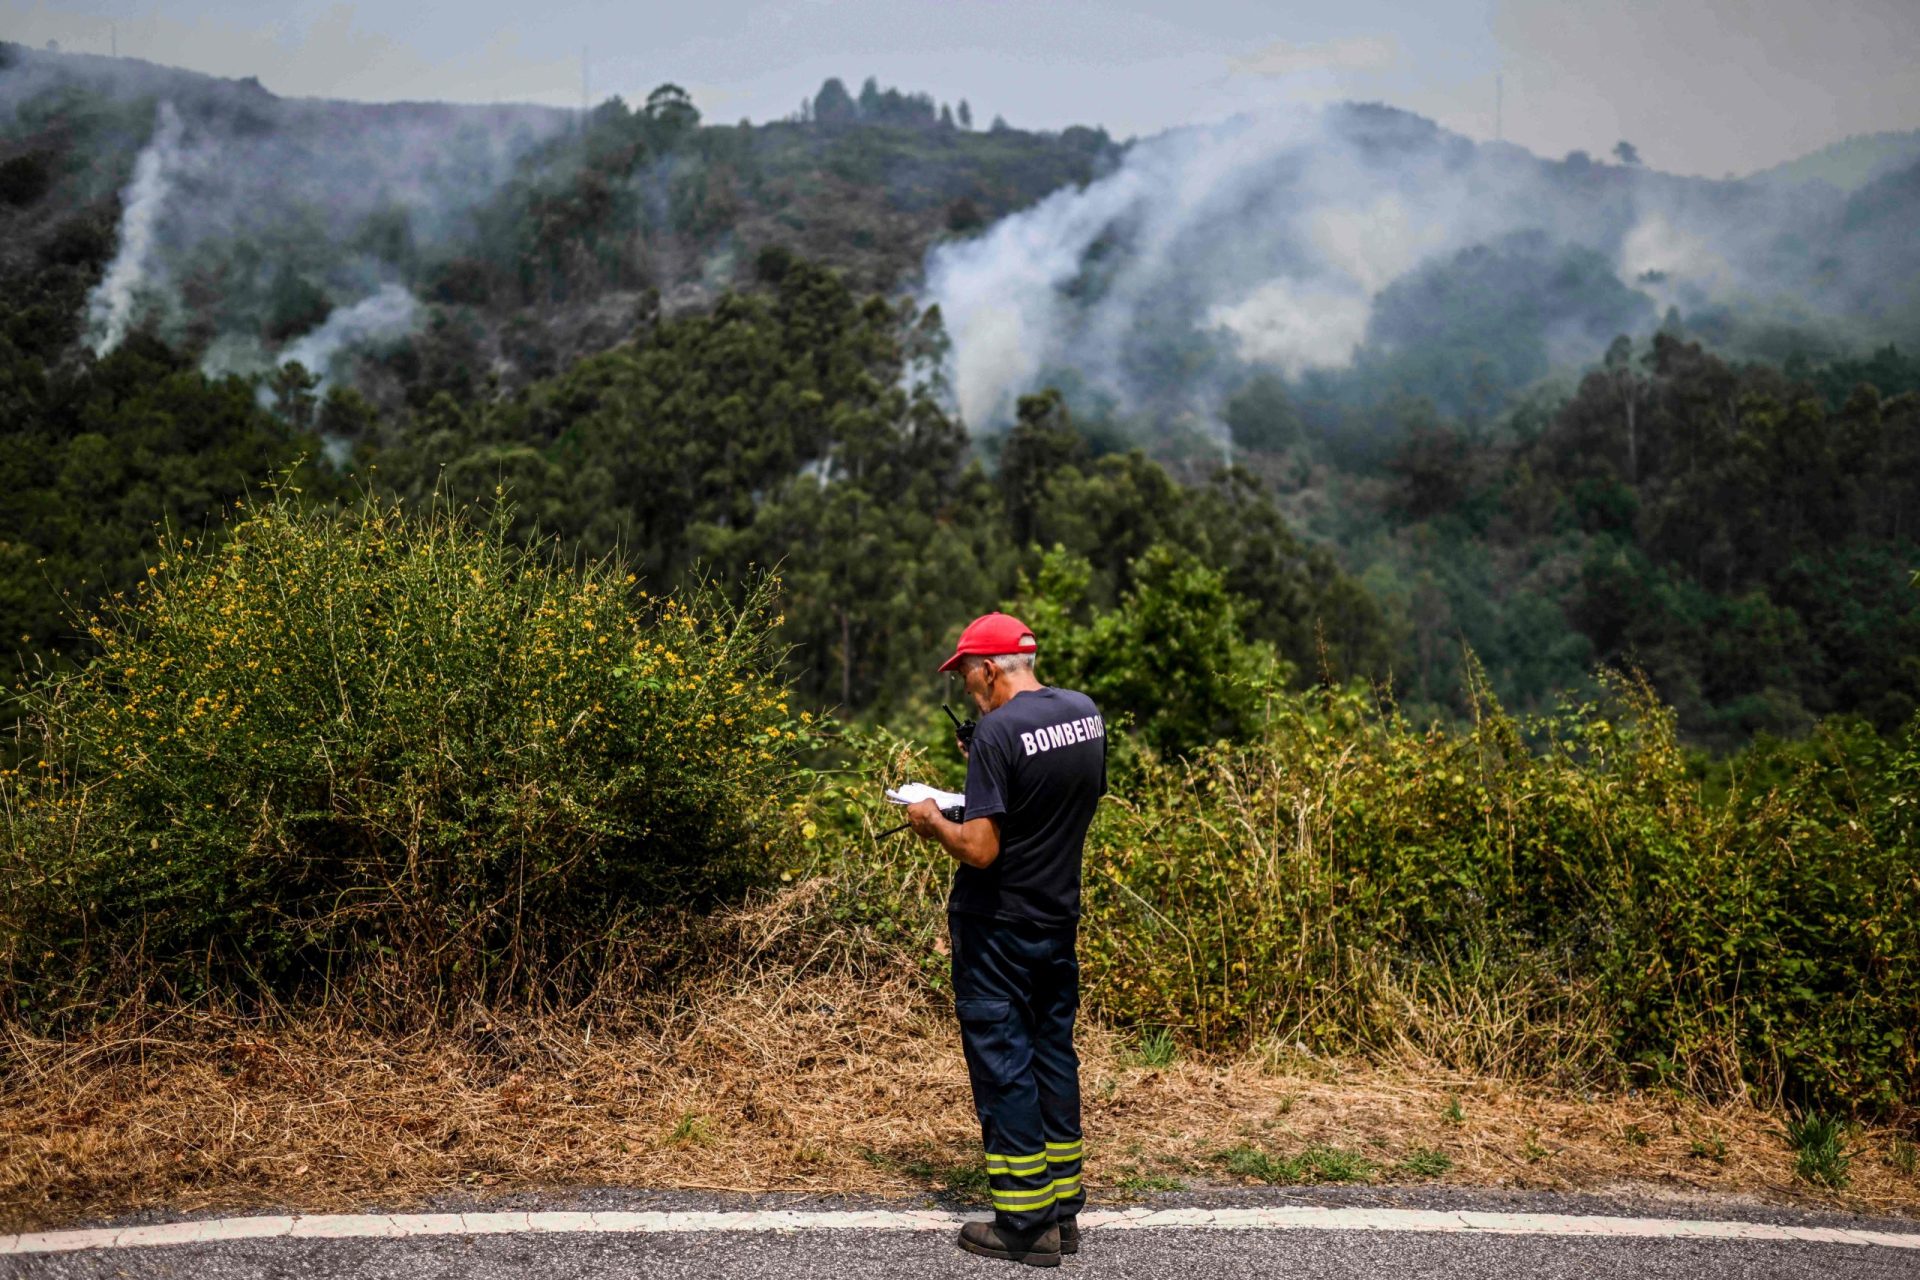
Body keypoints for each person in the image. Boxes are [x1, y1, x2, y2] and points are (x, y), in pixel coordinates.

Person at [905, 611, 1107, 1268]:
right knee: (1052, 1055)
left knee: (1004, 1065)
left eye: (970, 681)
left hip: (998, 928)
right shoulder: (1083, 713)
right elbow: (1057, 799)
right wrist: (989, 769)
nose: (972, 695)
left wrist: (933, 819)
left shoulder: (997, 731)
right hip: (1057, 918)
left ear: (990, 669)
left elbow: (982, 849)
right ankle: (1064, 1213)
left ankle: (1025, 1225)